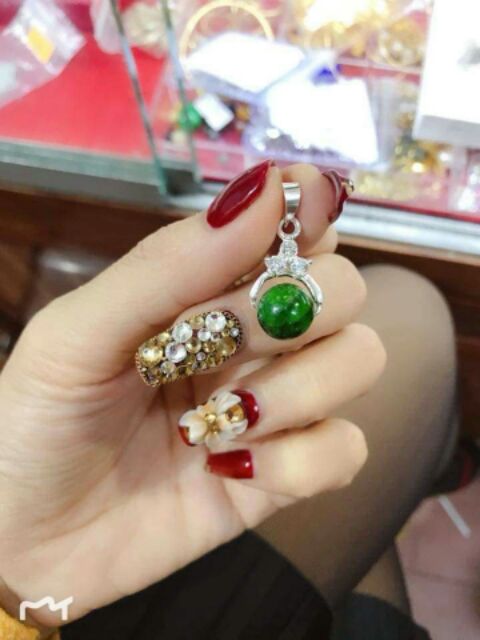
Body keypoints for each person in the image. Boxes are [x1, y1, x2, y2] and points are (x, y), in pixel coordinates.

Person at [0, 163, 456, 640]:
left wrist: (17, 574)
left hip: (60, 580)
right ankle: (444, 461)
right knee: (414, 312)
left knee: (410, 313)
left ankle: (443, 459)